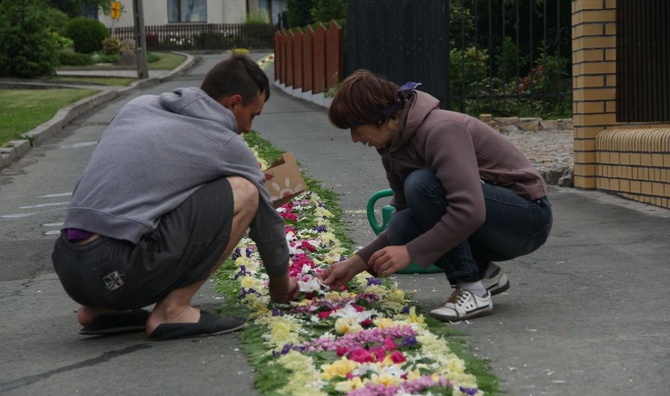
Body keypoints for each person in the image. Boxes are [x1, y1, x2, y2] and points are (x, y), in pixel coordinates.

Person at [52, 55, 299, 340]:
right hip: (119, 271)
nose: (249, 128)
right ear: (233, 103)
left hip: (70, 269)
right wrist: (280, 285)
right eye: (252, 115)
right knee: (247, 192)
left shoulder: (138, 107)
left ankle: (99, 310)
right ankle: (173, 311)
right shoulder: (225, 141)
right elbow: (266, 224)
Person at [318, 69, 552, 322]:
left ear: (378, 116)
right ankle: (486, 274)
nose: (354, 138)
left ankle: (472, 290)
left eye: (355, 128)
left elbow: (470, 211)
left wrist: (411, 252)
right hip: (492, 223)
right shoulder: (392, 148)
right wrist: (356, 263)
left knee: (422, 184)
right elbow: (406, 221)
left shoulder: (441, 129)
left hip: (527, 220)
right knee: (406, 216)